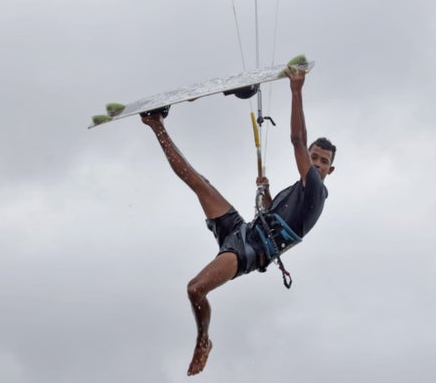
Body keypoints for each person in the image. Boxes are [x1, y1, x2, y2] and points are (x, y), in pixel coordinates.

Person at [140, 65, 335, 376]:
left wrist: (296, 90)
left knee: (195, 289)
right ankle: (155, 123)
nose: (316, 164)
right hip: (245, 230)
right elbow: (274, 213)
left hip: (251, 251)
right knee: (198, 182)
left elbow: (298, 140)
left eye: (323, 161)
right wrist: (266, 193)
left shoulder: (315, 190)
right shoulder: (298, 189)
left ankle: (204, 341)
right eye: (314, 158)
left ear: (329, 170)